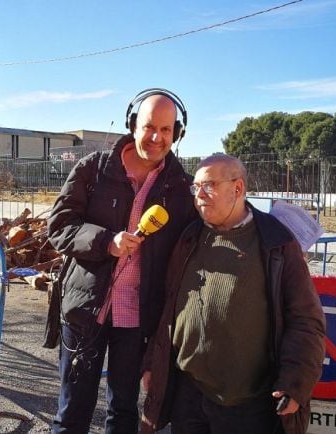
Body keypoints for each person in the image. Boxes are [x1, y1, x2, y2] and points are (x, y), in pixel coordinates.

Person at [47, 89, 198, 434]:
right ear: (132, 124)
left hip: (138, 316)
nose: (157, 137)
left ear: (178, 133)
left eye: (166, 129)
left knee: (124, 411)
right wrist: (105, 242)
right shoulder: (94, 169)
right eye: (149, 127)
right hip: (86, 309)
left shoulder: (180, 187)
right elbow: (58, 227)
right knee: (72, 411)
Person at [141, 154, 326, 434]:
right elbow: (168, 307)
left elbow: (305, 319)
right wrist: (152, 363)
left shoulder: (276, 243)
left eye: (210, 185)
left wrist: (296, 381)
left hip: (247, 404)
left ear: (237, 189)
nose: (199, 195)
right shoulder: (189, 236)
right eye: (196, 187)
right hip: (188, 394)